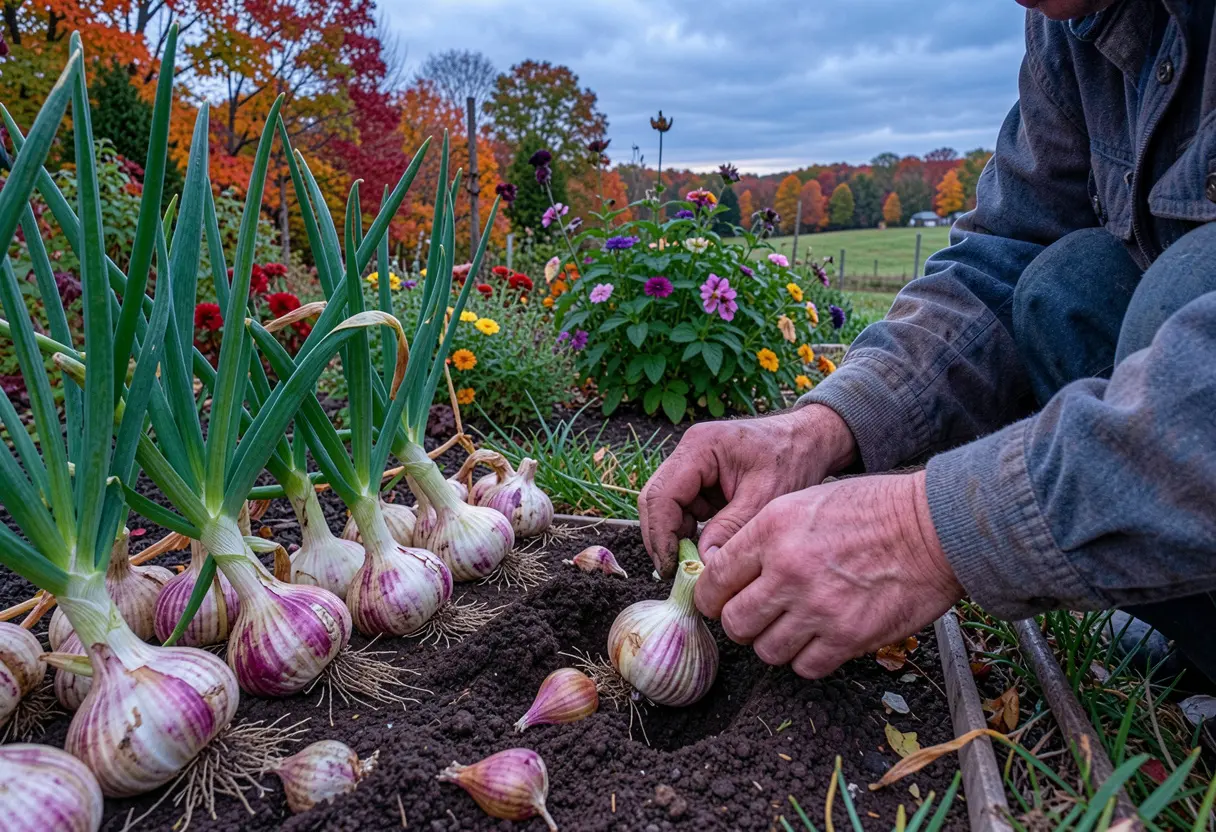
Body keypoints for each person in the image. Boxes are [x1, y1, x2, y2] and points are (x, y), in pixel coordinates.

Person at [639, 0, 1216, 684]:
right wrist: (816, 430)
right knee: (1067, 283)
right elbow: (1004, 259)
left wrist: (925, 529)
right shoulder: (1068, 24)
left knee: (1180, 289)